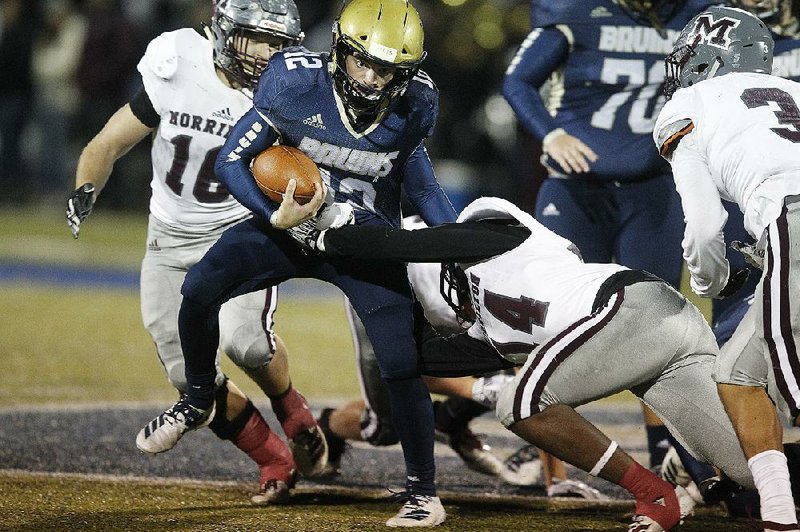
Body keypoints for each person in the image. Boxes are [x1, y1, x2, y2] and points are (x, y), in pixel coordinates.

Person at [137, 0, 457, 527]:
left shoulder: (416, 104)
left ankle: (424, 491)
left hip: (364, 240)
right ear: (339, 50)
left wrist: (453, 245)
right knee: (197, 291)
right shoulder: (293, 82)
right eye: (364, 63)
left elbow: (420, 181)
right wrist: (273, 214)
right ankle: (197, 398)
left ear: (408, 73)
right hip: (289, 229)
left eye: (389, 70)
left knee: (401, 363)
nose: (374, 79)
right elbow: (232, 161)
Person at [301, 195, 755, 531]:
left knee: (520, 404)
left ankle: (654, 492)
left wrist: (324, 237)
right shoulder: (486, 330)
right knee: (751, 469)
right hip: (665, 330)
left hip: (628, 305)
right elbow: (408, 360)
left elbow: (404, 244)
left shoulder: (498, 234)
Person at [65, 0, 328, 504]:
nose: (270, 54)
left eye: (279, 42)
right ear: (226, 31)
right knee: (190, 376)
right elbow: (109, 142)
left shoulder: (286, 93)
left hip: (239, 234)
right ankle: (272, 456)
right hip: (168, 237)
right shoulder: (178, 61)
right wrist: (85, 188)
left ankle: (291, 407)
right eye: (259, 39)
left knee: (246, 342)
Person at [502, 0, 720, 473]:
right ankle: (554, 471)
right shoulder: (577, 13)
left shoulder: (699, 16)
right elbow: (517, 81)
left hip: (653, 192)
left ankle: (673, 460)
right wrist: (549, 134)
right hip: (578, 190)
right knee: (553, 325)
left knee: (659, 330)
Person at [654, 5, 800, 530]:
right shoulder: (795, 90)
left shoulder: (689, 102)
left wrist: (708, 279)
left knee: (795, 388)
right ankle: (780, 513)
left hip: (793, 218)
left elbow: (704, 224)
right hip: (787, 227)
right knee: (737, 374)